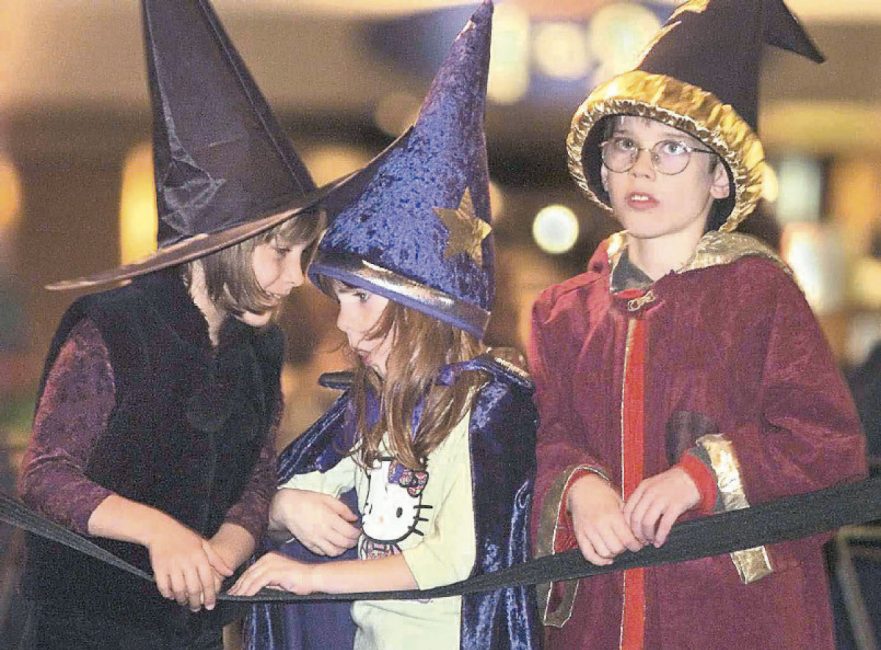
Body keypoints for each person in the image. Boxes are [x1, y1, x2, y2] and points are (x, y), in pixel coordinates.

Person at [528, 1, 868, 648]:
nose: (641, 167)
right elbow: (547, 434)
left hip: (733, 620)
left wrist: (701, 477)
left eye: (671, 149)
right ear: (601, 165)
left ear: (719, 177)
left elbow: (825, 446)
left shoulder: (757, 295)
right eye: (624, 144)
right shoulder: (562, 313)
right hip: (599, 618)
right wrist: (576, 488)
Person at [16, 1, 331, 647]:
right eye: (279, 253)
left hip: (187, 629)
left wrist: (224, 545)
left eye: (303, 256)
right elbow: (46, 474)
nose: (296, 277)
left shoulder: (260, 346)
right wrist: (160, 531)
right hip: (83, 626)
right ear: (216, 244)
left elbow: (255, 474)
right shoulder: (114, 327)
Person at [235, 4, 540, 649]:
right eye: (340, 300)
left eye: (361, 302)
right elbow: (298, 483)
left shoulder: (479, 406)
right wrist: (287, 506)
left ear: (422, 310)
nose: (346, 325)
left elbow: (451, 558)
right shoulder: (382, 407)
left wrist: (312, 580)